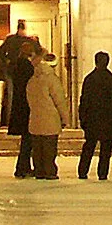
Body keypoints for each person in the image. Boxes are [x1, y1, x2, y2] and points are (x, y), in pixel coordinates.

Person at [77, 50, 112, 180]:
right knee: (106, 148)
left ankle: (83, 171)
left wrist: (83, 118)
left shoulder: (89, 79)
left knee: (89, 146)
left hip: (93, 119)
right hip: (109, 120)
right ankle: (102, 173)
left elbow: (84, 100)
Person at [24, 48, 69, 180]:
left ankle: (39, 170)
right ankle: (50, 171)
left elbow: (29, 99)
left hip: (35, 119)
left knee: (37, 149)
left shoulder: (32, 81)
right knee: (49, 148)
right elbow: (59, 100)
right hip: (50, 119)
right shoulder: (52, 80)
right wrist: (65, 118)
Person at [6, 33, 37, 178]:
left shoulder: (17, 65)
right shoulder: (27, 66)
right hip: (26, 105)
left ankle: (23, 166)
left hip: (20, 105)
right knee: (28, 139)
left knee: (27, 139)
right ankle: (22, 167)